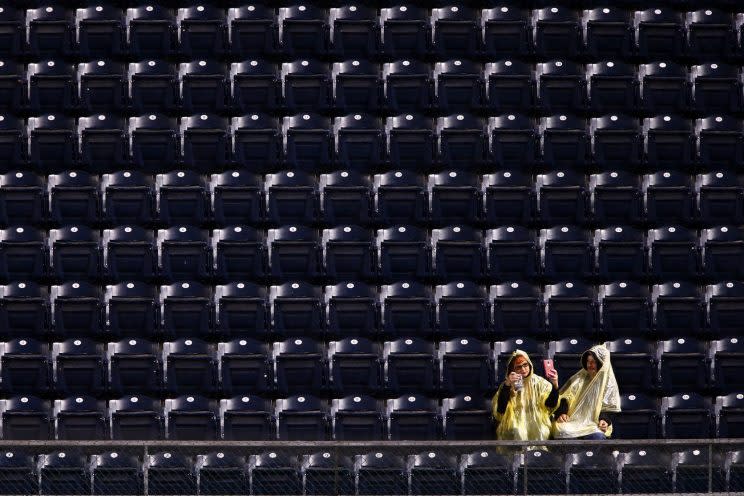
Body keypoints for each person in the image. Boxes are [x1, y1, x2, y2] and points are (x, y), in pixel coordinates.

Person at [552, 344, 621, 440]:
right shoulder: (578, 379)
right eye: (588, 361)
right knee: (562, 431)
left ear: (601, 363)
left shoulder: (609, 384)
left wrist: (604, 420)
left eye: (593, 362)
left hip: (594, 423)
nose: (589, 365)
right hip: (573, 421)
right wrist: (562, 413)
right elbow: (565, 397)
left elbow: (609, 407)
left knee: (598, 436)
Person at [492, 349, 560, 441]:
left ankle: (538, 455)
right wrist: (507, 385)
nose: (523, 369)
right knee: (518, 432)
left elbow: (550, 405)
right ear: (513, 369)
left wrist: (555, 385)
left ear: (529, 364)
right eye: (518, 367)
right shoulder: (507, 384)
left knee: (541, 431)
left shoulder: (540, 383)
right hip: (514, 421)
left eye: (525, 365)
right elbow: (500, 410)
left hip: (537, 421)